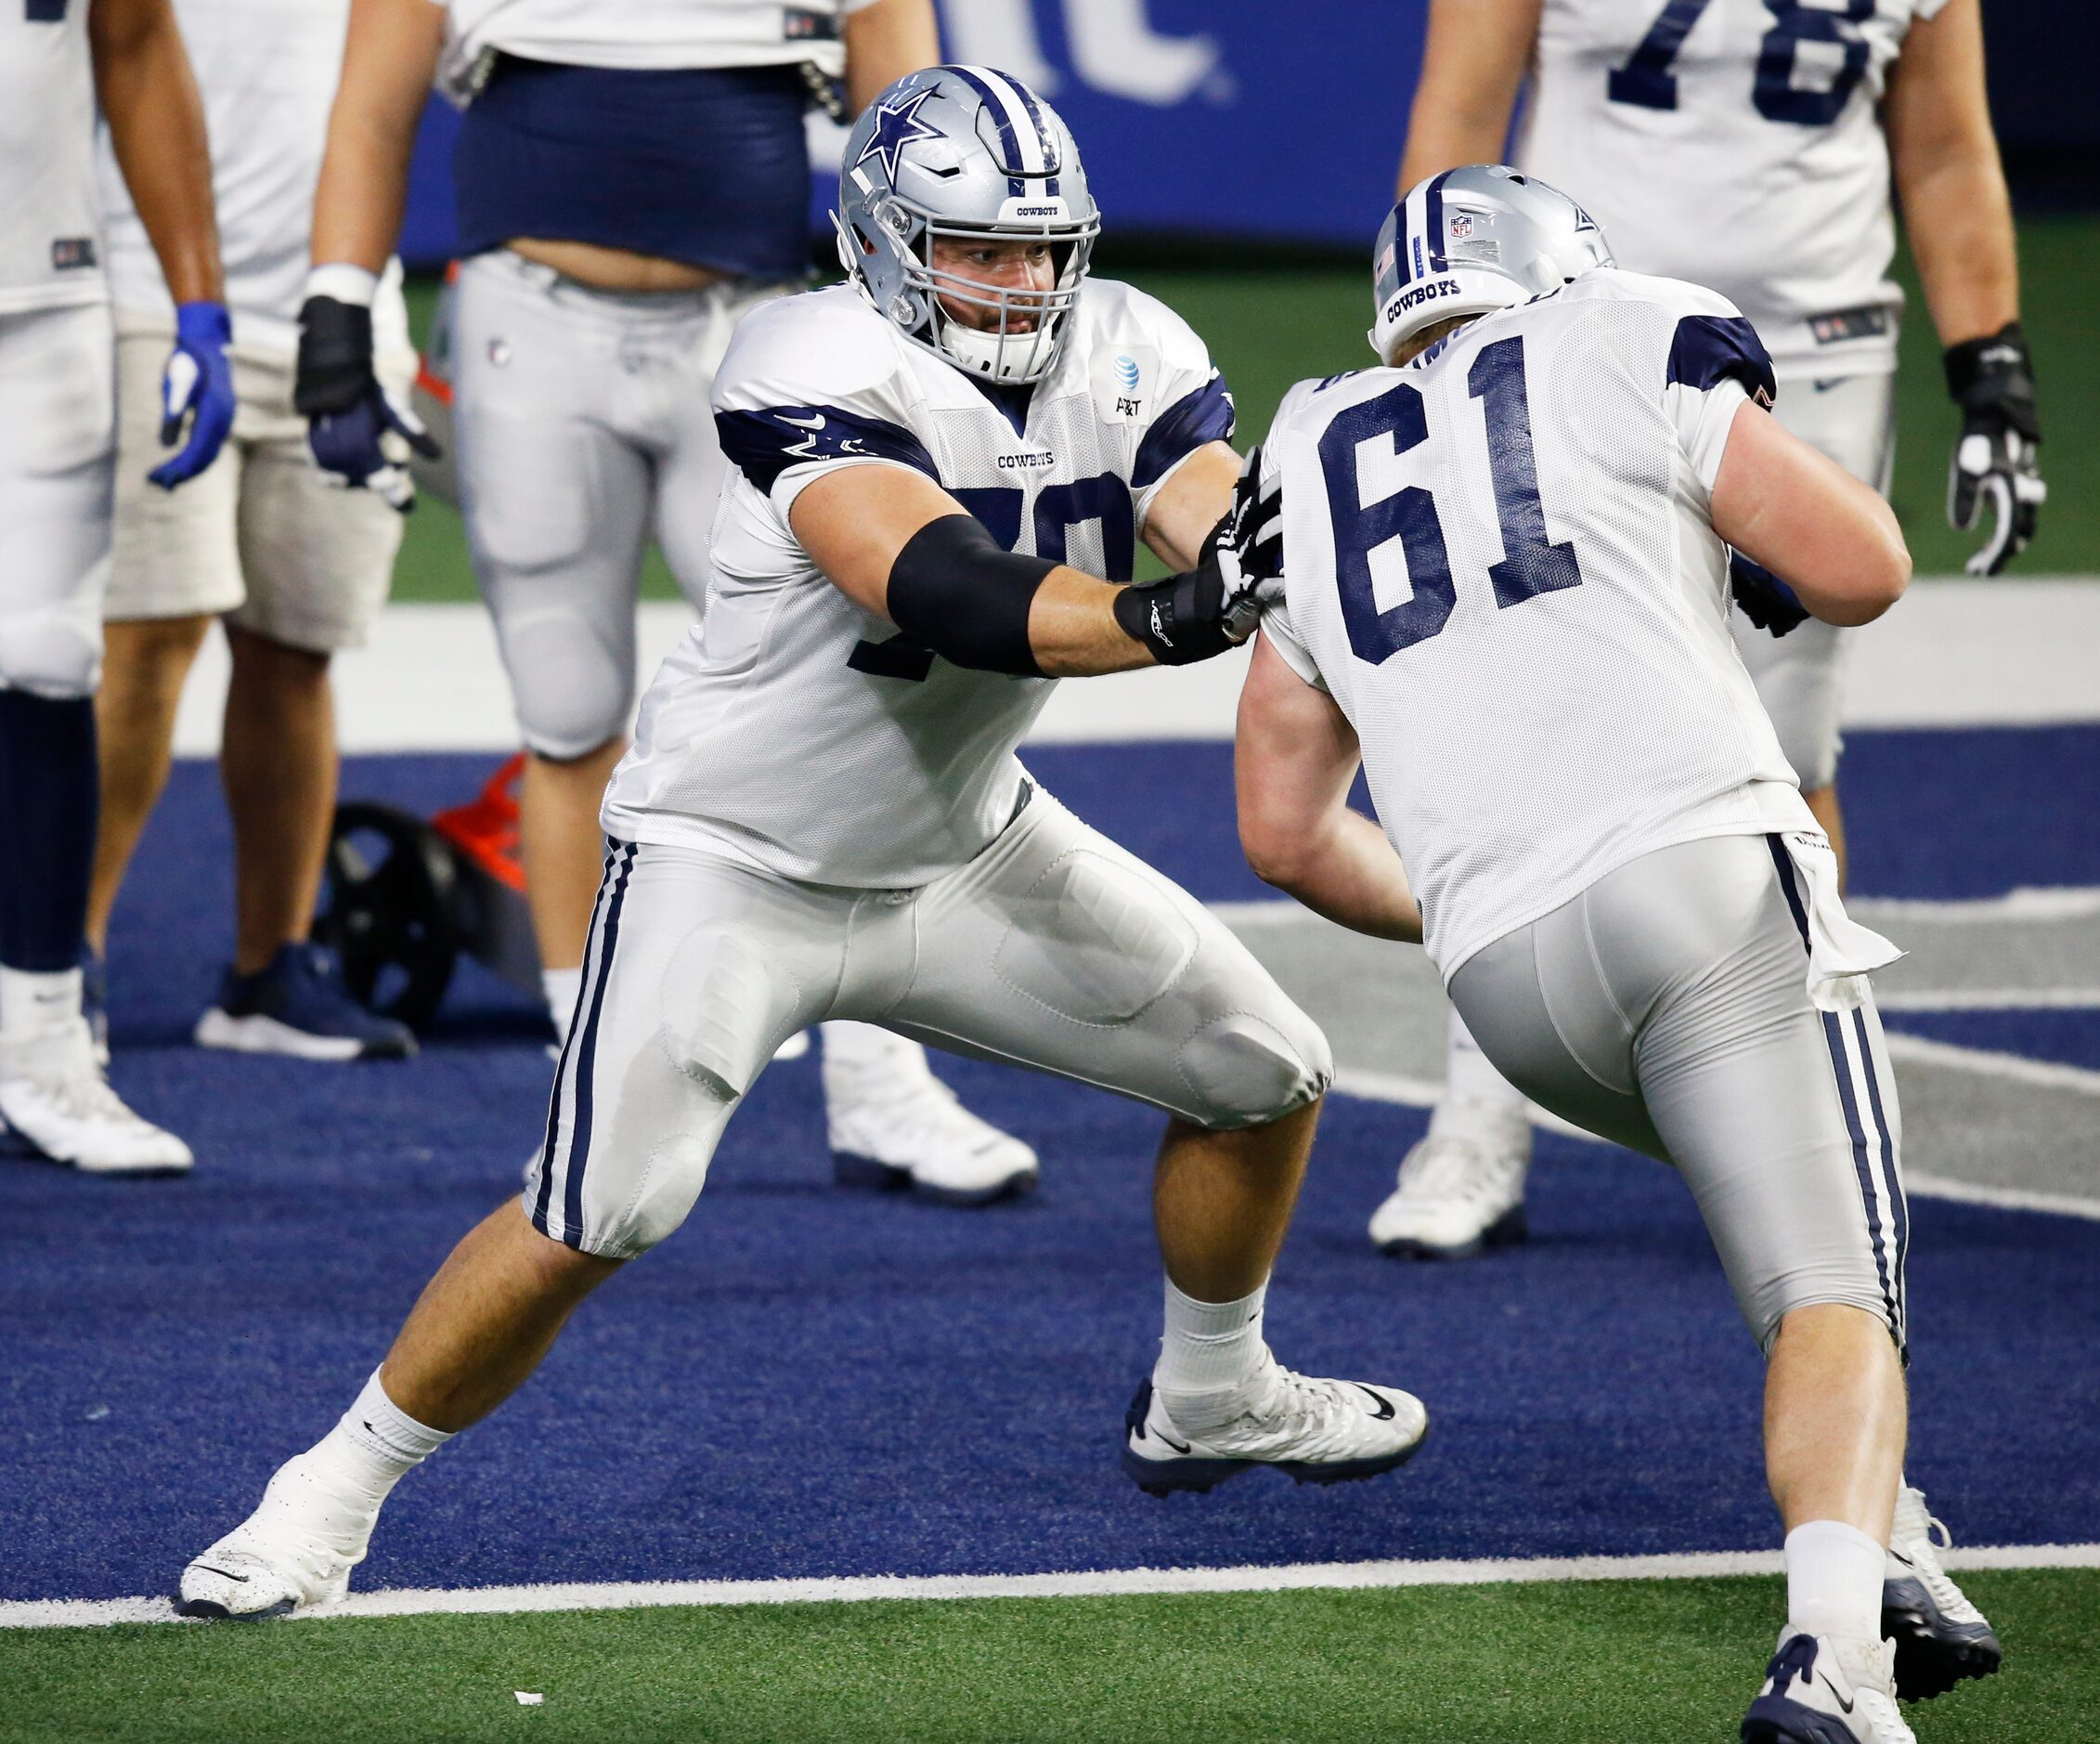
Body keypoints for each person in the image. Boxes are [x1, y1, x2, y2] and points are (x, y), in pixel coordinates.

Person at [175, 69, 1428, 1620]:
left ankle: (1212, 1393)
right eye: (979, 249)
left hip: (961, 849)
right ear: (890, 244)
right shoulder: (808, 354)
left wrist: (1280, 560)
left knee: (1260, 1068)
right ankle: (326, 1489)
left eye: (1043, 249)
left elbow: (1202, 509)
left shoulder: (1130, 341)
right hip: (733, 860)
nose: (1021, 283)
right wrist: (1181, 613)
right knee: (598, 1212)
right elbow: (943, 588)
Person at [1236, 167, 1998, 1742]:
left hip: (1508, 986)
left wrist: (1462, 895)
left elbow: (1285, 832)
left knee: (1778, 1212)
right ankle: (1834, 1660)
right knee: (1830, 1273)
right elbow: (1861, 562)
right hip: (1701, 883)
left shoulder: (1307, 443)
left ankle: (1889, 1537)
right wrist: (1754, 559)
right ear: (1557, 265)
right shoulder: (1619, 326)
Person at [297, 0, 1038, 1202]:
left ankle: (879, 1081)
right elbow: (373, 102)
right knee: (567, 703)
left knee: (855, 694)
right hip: (526, 331)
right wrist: (336, 302)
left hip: (755, 328)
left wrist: (940, 306)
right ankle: (590, 1085)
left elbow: (915, 118)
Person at [1378, 0, 2043, 1265]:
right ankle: (1476, 1120)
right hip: (1565, 332)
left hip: (1814, 343)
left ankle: (1810, 1106)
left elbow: (1946, 146)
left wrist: (1989, 366)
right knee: (1537, 704)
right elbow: (1460, 114)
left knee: (1783, 734)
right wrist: (1439, 339)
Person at [84, 0, 418, 1065]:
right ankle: (51, 969)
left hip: (345, 306)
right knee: (148, 636)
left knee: (296, 649)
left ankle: (268, 970)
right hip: (147, 298)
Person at [0, 0, 232, 1174]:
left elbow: (134, 40)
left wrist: (201, 301)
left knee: (47, 662)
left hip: (39, 302)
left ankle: (41, 1046)